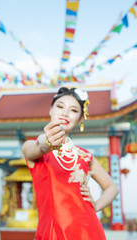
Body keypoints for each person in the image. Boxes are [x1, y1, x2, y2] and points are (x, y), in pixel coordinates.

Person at [22, 87, 118, 240]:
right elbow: (40, 145)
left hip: (89, 230)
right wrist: (46, 141)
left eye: (73, 110)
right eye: (60, 106)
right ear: (50, 110)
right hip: (53, 231)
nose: (65, 113)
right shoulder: (31, 146)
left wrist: (96, 205)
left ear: (80, 119)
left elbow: (112, 187)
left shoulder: (85, 156)